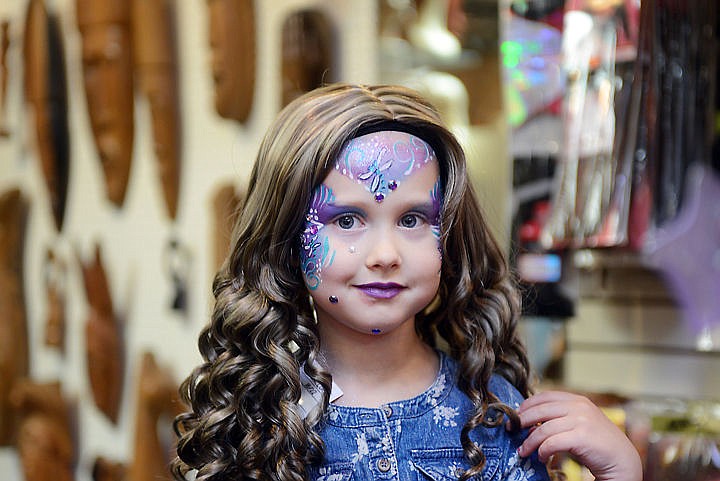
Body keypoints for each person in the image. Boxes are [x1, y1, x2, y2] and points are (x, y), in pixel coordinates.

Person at [171, 83, 642, 481]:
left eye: (413, 218)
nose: (385, 255)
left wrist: (623, 472)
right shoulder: (258, 418)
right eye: (348, 220)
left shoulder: (490, 413)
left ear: (450, 234)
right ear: (288, 235)